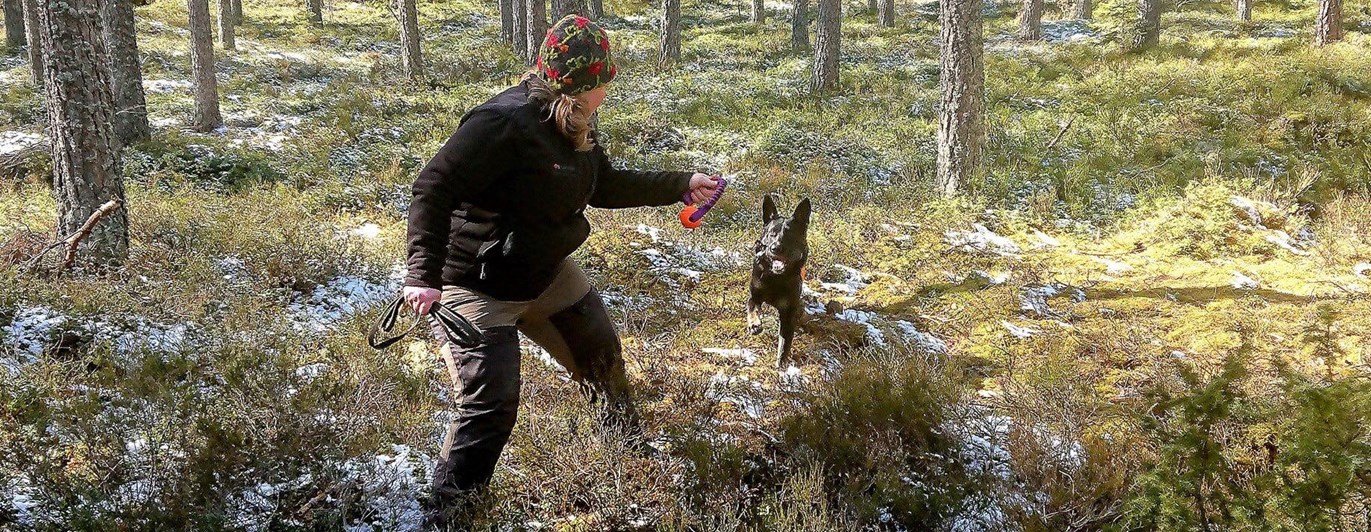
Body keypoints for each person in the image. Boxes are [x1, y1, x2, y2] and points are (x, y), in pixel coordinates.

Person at [402, 14, 720, 518]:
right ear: (581, 83)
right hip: (475, 285)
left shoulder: (576, 122)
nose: (609, 90)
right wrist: (422, 276)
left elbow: (605, 185)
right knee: (491, 404)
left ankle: (629, 456)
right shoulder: (501, 124)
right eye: (604, 82)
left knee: (601, 356)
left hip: (545, 272)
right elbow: (431, 189)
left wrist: (680, 184)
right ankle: (450, 514)